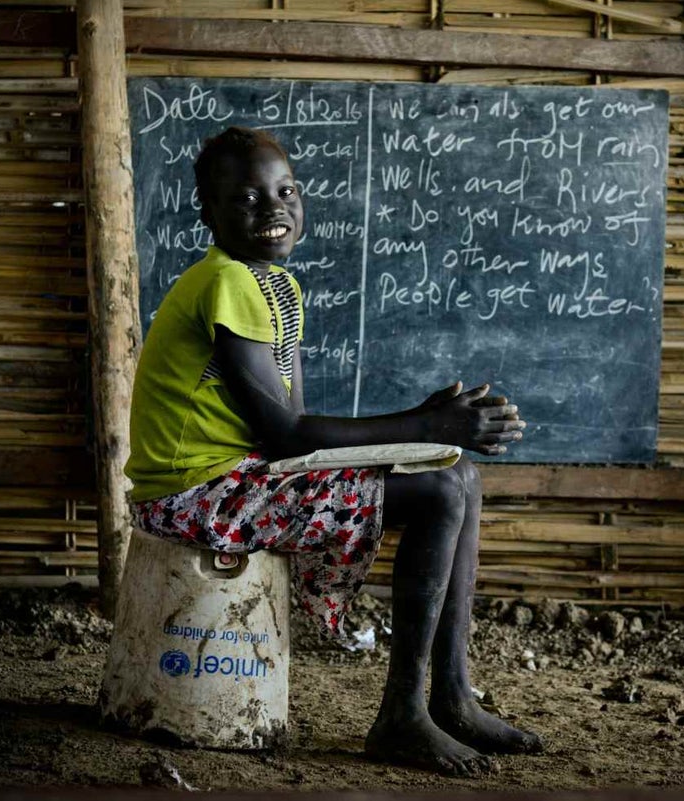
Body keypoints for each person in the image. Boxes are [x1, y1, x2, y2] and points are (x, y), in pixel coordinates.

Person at [125, 125, 542, 775]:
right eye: (248, 198)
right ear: (208, 211)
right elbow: (287, 438)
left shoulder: (276, 287)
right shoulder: (226, 282)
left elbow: (298, 434)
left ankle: (453, 694)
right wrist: (425, 420)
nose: (274, 209)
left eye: (286, 191)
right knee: (437, 488)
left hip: (242, 476)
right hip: (194, 493)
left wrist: (424, 432)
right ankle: (402, 715)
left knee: (458, 473)